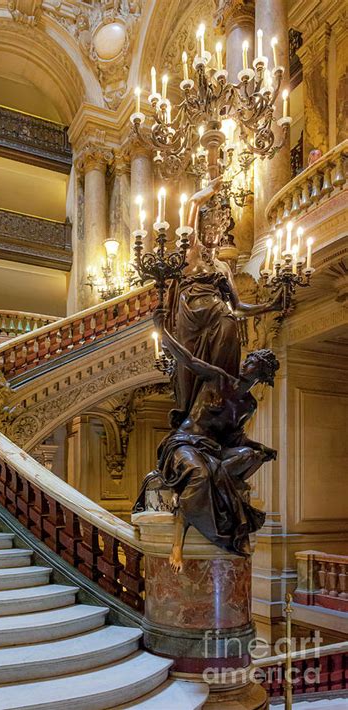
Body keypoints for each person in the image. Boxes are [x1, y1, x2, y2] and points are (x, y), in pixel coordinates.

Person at [153, 311, 279, 572]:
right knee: (199, 474)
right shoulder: (219, 378)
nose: (246, 364)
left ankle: (226, 511)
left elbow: (235, 437)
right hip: (184, 443)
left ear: (261, 374)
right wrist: (162, 331)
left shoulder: (249, 405)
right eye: (248, 360)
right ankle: (178, 542)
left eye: (253, 363)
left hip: (213, 448)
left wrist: (260, 448)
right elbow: (187, 359)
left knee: (249, 456)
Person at [166, 177, 282, 425]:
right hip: (192, 319)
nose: (214, 233)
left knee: (228, 326)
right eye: (209, 227)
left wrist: (268, 306)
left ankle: (219, 394)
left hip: (220, 318)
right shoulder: (191, 251)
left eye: (218, 229)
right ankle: (188, 413)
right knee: (189, 371)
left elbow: (238, 307)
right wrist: (204, 195)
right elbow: (190, 208)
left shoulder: (223, 267)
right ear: (201, 227)